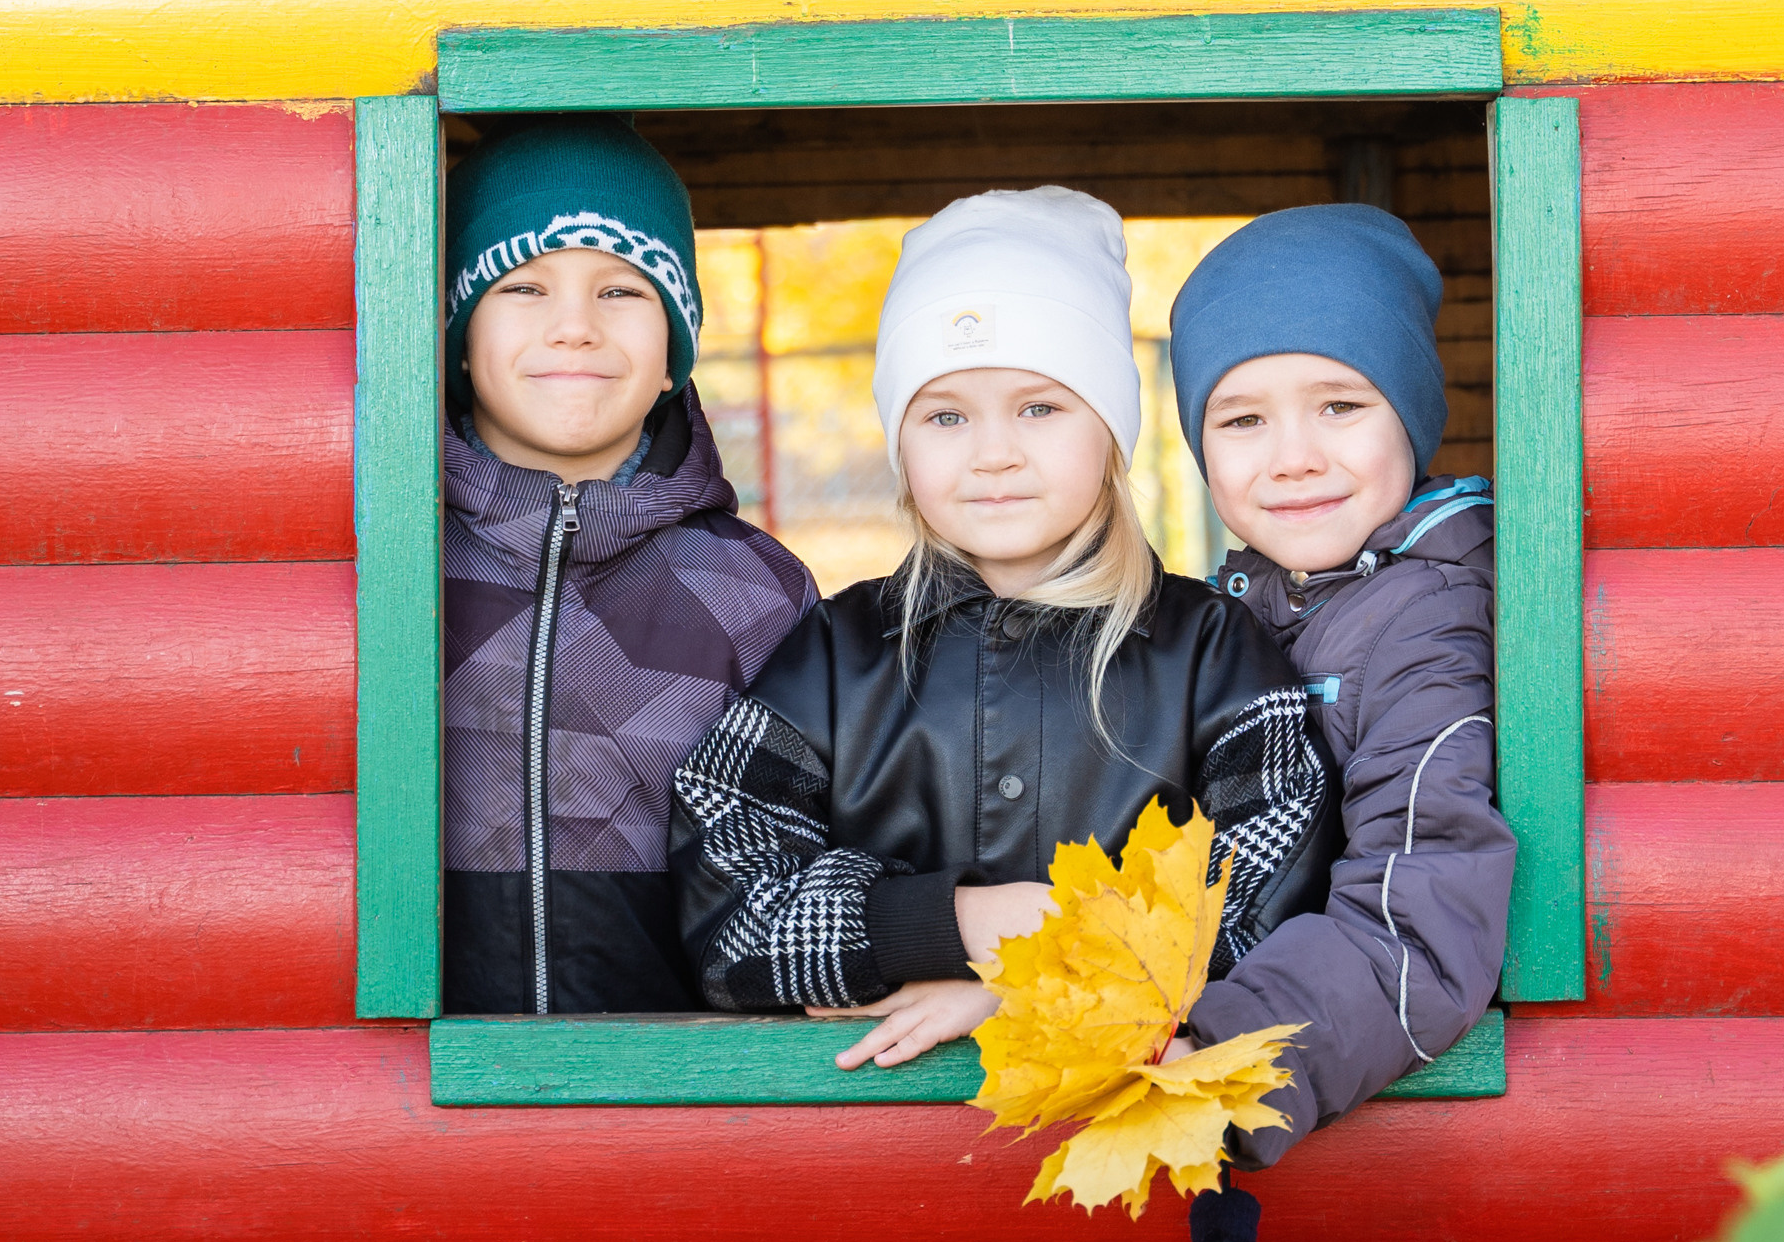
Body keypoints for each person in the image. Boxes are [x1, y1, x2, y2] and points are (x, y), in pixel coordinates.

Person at [670, 186, 1338, 1052]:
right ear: (901, 449)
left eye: (1039, 407)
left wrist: (1031, 978)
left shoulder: (1212, 651)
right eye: (945, 416)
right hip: (878, 1156)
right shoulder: (836, 652)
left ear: (1108, 434)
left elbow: (1271, 916)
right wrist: (962, 924)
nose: (993, 453)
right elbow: (726, 924)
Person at [1166, 201, 1516, 1242]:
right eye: (1242, 419)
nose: (1295, 457)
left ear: (1411, 414)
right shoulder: (1240, 613)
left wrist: (1218, 1056)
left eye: (1340, 404)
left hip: (1401, 1214)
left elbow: (1421, 915)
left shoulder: (1426, 626)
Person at [443, 114, 814, 1018]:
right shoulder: (398, 567)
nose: (573, 328)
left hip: (676, 1103)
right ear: (457, 339)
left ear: (670, 358)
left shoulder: (758, 592)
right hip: (414, 1110)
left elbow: (807, 862)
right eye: (523, 288)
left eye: (621, 291)